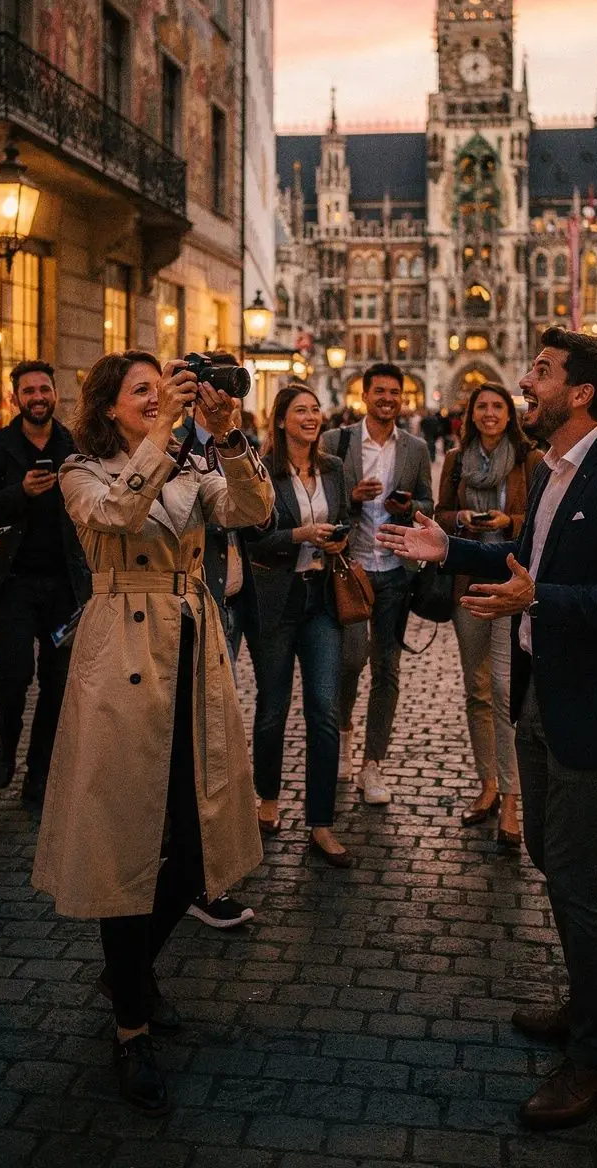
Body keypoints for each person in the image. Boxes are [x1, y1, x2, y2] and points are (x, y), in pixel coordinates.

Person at [377, 327, 597, 1132]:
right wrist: (454, 548)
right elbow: (531, 562)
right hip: (546, 693)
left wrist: (537, 602)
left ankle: (594, 1058)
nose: (523, 383)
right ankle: (595, 1004)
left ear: (581, 394)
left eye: (540, 373)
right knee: (548, 849)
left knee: (579, 876)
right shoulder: (551, 472)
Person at [32, 351, 274, 1115]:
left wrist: (229, 437)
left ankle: (129, 971)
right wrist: (169, 434)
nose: (158, 398)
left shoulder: (186, 459)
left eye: (161, 389)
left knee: (195, 840)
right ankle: (130, 1024)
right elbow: (115, 516)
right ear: (111, 407)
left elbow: (251, 512)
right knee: (123, 839)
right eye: (143, 391)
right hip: (122, 653)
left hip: (192, 649)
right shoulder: (82, 470)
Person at [174, 353, 270, 930]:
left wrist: (230, 435)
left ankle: (201, 872)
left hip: (237, 595)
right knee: (198, 740)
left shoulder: (236, 440)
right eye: (217, 383)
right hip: (193, 602)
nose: (226, 395)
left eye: (236, 384)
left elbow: (258, 514)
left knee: (217, 736)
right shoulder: (174, 440)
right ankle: (192, 875)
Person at [0, 361, 91, 806]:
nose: (37, 397)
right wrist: (21, 491)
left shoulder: (75, 445)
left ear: (55, 393)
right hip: (14, 583)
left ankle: (38, 771)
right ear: (15, 398)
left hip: (66, 585)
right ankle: (8, 739)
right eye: (28, 391)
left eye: (44, 388)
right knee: (14, 674)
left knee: (58, 682)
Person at [249, 384, 352, 867]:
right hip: (276, 602)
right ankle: (267, 801)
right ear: (282, 420)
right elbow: (254, 538)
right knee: (272, 710)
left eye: (315, 410)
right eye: (301, 411)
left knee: (323, 712)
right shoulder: (262, 472)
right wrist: (301, 535)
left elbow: (346, 520)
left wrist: (335, 543)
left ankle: (322, 823)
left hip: (322, 600)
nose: (311, 417)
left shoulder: (332, 470)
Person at [436, 383, 543, 849]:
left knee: (503, 690)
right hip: (467, 587)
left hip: (510, 586)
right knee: (476, 689)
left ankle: (512, 802)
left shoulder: (529, 460)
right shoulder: (457, 460)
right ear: (471, 413)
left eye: (498, 405)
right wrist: (460, 519)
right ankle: (488, 786)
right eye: (482, 405)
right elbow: (438, 514)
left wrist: (507, 524)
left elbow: (540, 523)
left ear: (510, 413)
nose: (490, 413)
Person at [321, 364, 433, 804]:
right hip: (352, 569)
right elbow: (321, 499)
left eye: (395, 393)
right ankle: (344, 732)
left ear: (401, 399)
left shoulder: (416, 448)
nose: (388, 398)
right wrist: (350, 498)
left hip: (394, 572)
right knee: (350, 661)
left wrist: (406, 506)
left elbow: (427, 501)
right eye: (380, 391)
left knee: (387, 669)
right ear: (365, 395)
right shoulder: (338, 442)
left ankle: (373, 765)